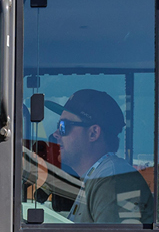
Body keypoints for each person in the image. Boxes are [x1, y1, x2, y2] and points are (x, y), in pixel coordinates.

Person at [51, 89, 152, 224]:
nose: (56, 134)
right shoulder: (97, 176)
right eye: (58, 125)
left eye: (64, 126)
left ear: (93, 133)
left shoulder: (113, 180)